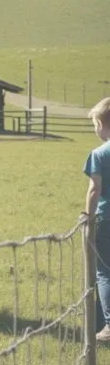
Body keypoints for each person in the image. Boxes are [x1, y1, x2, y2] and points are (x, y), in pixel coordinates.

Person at [84, 97, 110, 341]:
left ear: (101, 124)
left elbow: (95, 189)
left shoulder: (99, 154)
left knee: (104, 272)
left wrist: (88, 217)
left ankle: (109, 325)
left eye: (95, 124)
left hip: (107, 218)